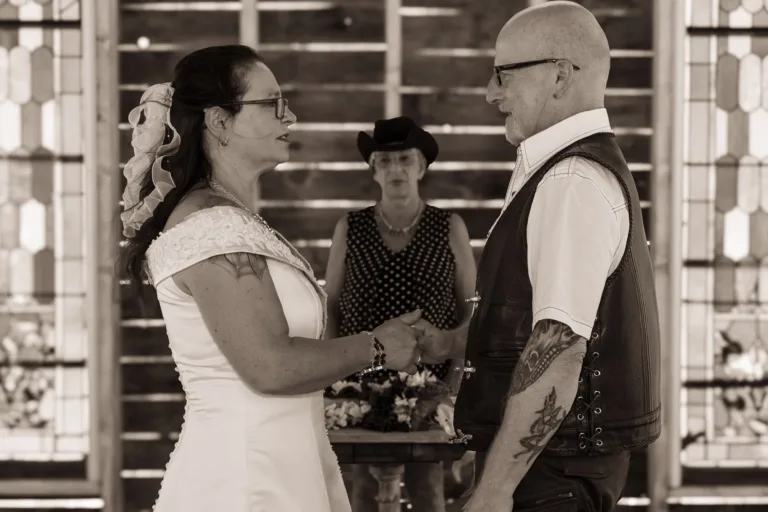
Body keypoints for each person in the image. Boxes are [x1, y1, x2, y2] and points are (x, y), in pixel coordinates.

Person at [118, 45, 425, 512]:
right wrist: (377, 347)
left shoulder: (234, 220)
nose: (291, 117)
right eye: (272, 104)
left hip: (284, 465)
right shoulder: (211, 227)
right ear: (220, 121)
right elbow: (270, 366)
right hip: (245, 480)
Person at [414, 2, 661, 511]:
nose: (491, 92)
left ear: (560, 75)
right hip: (550, 469)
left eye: (503, 74)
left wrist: (494, 490)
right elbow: (528, 325)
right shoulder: (563, 171)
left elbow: (559, 353)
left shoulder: (571, 181)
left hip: (552, 477)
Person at [323, 117, 477, 511]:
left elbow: (469, 309)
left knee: (427, 490)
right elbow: (332, 305)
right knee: (364, 491)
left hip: (430, 386)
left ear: (421, 167)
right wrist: (333, 379)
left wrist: (455, 381)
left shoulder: (449, 226)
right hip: (361, 383)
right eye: (385, 161)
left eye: (405, 159)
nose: (396, 169)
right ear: (373, 170)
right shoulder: (350, 227)